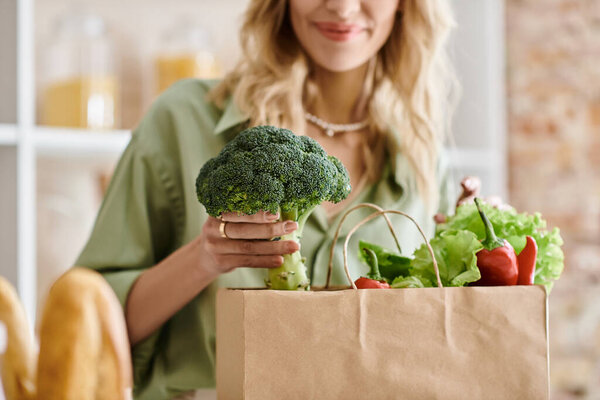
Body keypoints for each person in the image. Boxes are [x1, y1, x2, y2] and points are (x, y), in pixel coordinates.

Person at [76, 0, 477, 398]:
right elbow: (85, 326)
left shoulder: (421, 155)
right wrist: (203, 259)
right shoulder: (182, 119)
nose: (341, 7)